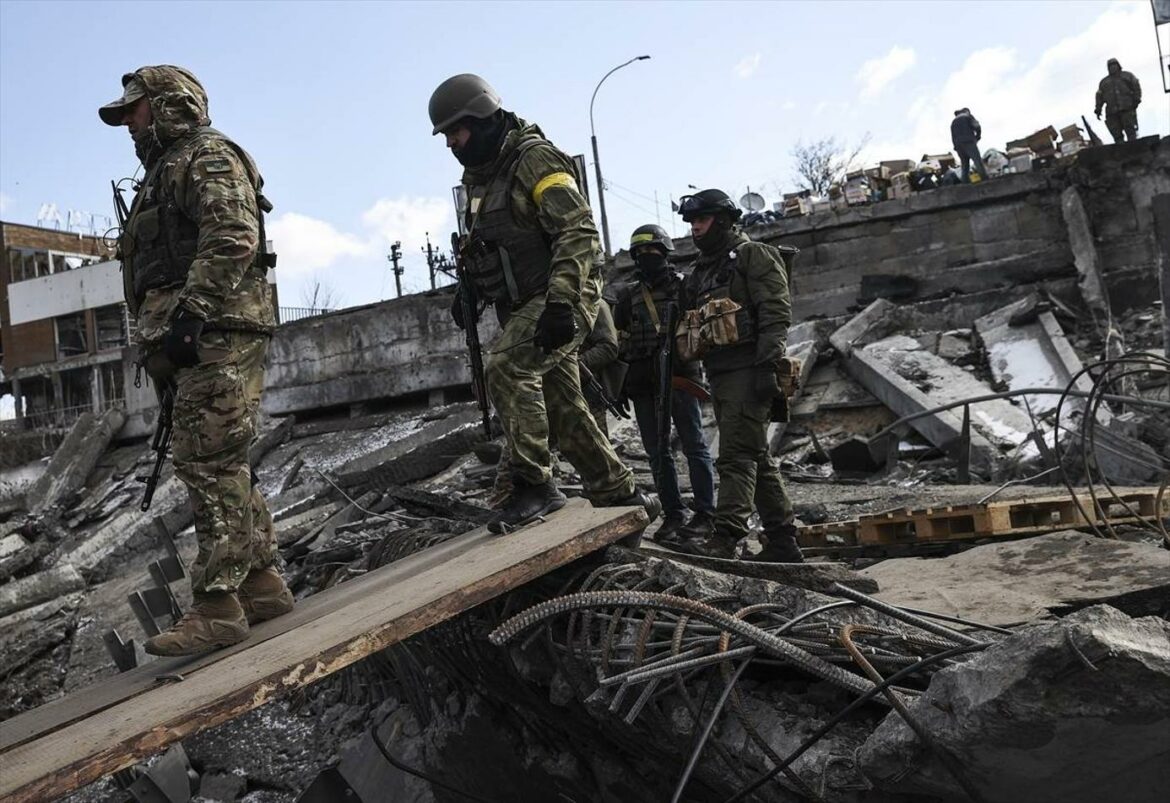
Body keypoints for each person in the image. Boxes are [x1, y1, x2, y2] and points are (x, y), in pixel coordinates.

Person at [99, 66, 292, 656]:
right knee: (222, 461)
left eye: (134, 111)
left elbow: (234, 232)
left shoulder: (204, 157)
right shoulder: (164, 171)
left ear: (168, 106)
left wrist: (193, 313)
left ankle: (217, 606)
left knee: (205, 463)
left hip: (214, 332)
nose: (129, 124)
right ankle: (260, 585)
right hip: (193, 338)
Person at [430, 73, 658, 533]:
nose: (452, 142)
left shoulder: (534, 160)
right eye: (448, 135)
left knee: (509, 366)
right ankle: (617, 491)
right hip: (523, 302)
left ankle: (534, 485)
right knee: (563, 402)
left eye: (457, 130)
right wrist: (468, 289)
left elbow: (577, 232)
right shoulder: (480, 179)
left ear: (482, 118)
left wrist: (561, 303)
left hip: (563, 292)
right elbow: (485, 245)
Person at [672, 190, 803, 563]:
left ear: (725, 220)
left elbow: (776, 311)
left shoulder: (751, 255)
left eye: (703, 220)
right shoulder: (701, 271)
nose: (696, 228)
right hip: (721, 373)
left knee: (735, 457)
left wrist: (767, 365)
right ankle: (782, 540)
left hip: (750, 369)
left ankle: (726, 537)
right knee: (756, 457)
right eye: (692, 222)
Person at [613, 225, 716, 544]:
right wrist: (620, 386)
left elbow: (702, 332)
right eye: (640, 253)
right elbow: (618, 343)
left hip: (681, 376)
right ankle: (673, 514)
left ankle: (705, 514)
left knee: (695, 446)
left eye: (652, 251)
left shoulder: (685, 286)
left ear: (665, 253)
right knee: (657, 452)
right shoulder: (628, 296)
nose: (646, 257)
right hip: (644, 382)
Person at [1095, 58, 1141, 143]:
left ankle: (1134, 148)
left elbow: (1136, 86)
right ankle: (1122, 151)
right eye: (1110, 66)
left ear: (1118, 65)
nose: (1113, 67)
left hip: (1127, 108)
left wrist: (1136, 99)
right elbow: (1099, 96)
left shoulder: (1127, 76)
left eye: (1114, 65)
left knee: (1131, 132)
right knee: (1117, 135)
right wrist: (1098, 109)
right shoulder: (1104, 82)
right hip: (1112, 113)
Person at [950, 108, 987, 183]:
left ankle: (965, 183)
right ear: (966, 111)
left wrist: (956, 147)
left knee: (965, 165)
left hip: (958, 145)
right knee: (977, 161)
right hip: (968, 141)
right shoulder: (967, 116)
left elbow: (953, 136)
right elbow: (977, 126)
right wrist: (978, 136)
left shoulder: (953, 122)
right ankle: (985, 179)